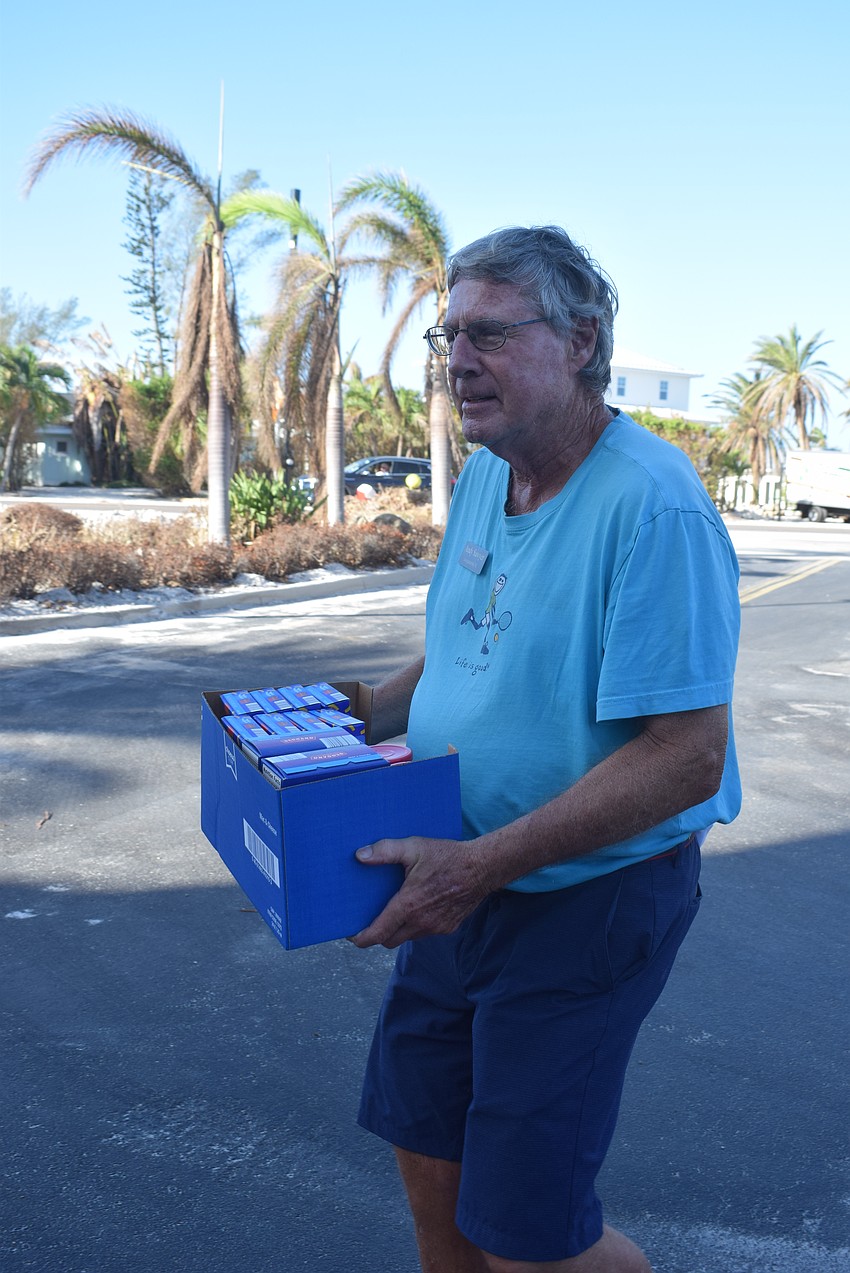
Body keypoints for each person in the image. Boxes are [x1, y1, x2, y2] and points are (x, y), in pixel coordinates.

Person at [350, 225, 741, 1273]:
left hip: (582, 898)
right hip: (459, 872)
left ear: (579, 342)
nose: (458, 360)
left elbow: (686, 757)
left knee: (527, 1230)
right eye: (448, 336)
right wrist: (354, 714)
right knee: (430, 1161)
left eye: (488, 333)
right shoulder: (485, 477)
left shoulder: (653, 506)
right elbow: (460, 649)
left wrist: (477, 867)